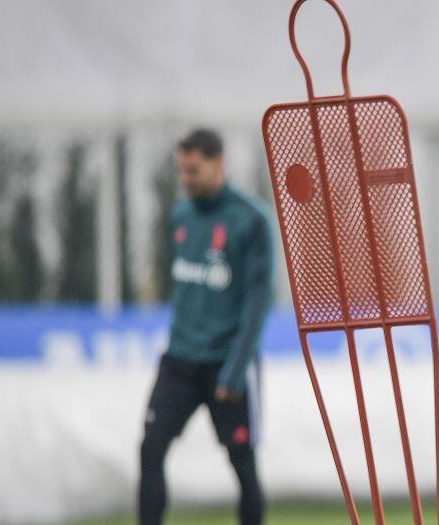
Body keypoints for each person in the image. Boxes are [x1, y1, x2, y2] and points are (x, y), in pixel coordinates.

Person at [139, 128, 275, 525]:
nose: (186, 180)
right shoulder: (179, 215)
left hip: (227, 364)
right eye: (182, 171)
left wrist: (235, 370)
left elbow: (259, 302)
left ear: (218, 164)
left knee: (243, 461)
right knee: (150, 449)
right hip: (179, 361)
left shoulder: (251, 220)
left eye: (193, 170)